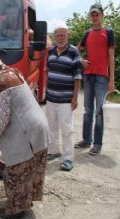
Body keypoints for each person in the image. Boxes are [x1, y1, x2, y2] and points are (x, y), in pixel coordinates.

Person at [0, 51, 48, 219]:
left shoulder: (2, 84)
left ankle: (16, 210)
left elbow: (2, 119)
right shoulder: (12, 72)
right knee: (30, 168)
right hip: (38, 126)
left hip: (26, 132)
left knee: (15, 172)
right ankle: (25, 201)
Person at [75, 3, 115, 155]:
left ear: (102, 15)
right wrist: (81, 60)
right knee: (87, 110)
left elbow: (111, 56)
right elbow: (76, 50)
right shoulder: (87, 33)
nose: (95, 16)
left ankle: (97, 143)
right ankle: (86, 140)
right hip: (88, 76)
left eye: (97, 14)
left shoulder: (108, 32)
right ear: (89, 16)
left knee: (99, 111)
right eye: (92, 14)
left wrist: (111, 80)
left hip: (102, 77)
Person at [46, 23, 82, 171]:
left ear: (68, 35)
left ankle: (68, 159)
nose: (60, 37)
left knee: (67, 129)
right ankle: (54, 151)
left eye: (63, 34)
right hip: (50, 98)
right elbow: (48, 71)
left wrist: (75, 98)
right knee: (51, 127)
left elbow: (78, 76)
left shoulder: (74, 52)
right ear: (55, 36)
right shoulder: (52, 51)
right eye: (58, 35)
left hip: (66, 100)